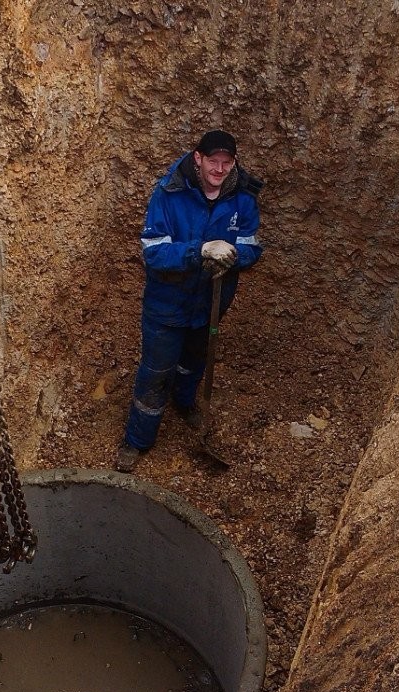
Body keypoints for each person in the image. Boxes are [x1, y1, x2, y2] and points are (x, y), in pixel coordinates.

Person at [116, 130, 263, 473]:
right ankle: (137, 440)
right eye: (213, 161)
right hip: (167, 305)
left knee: (194, 361)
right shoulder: (169, 193)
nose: (220, 168)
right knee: (156, 371)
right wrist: (199, 251)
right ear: (198, 158)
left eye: (227, 162)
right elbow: (154, 253)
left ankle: (184, 402)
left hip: (210, 302)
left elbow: (252, 246)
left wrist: (234, 255)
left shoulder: (243, 197)